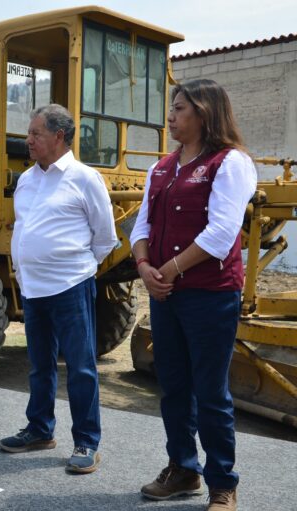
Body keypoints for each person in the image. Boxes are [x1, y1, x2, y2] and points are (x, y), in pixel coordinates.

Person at [130, 79, 256, 511]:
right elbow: (141, 226)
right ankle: (183, 469)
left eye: (179, 108)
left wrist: (165, 271)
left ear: (204, 113)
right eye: (172, 107)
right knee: (175, 387)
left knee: (210, 391)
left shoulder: (230, 162)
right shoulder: (161, 167)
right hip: (166, 294)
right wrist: (145, 268)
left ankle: (223, 482)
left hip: (209, 296)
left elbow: (222, 234)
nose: (171, 115)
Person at [0, 104, 117, 474]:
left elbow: (105, 238)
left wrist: (76, 268)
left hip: (70, 286)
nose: (28, 140)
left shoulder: (84, 178)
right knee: (40, 366)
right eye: (29, 133)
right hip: (33, 289)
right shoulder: (27, 179)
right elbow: (23, 228)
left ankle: (87, 441)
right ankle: (39, 430)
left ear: (59, 137)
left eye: (35, 134)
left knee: (81, 367)